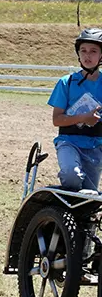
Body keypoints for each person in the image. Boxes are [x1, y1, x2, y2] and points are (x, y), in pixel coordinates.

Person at [48, 27, 102, 193]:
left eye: (93, 51)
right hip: (68, 142)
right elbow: (57, 120)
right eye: (83, 50)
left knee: (89, 196)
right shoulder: (66, 82)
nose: (87, 55)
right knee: (72, 175)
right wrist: (83, 118)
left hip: (96, 146)